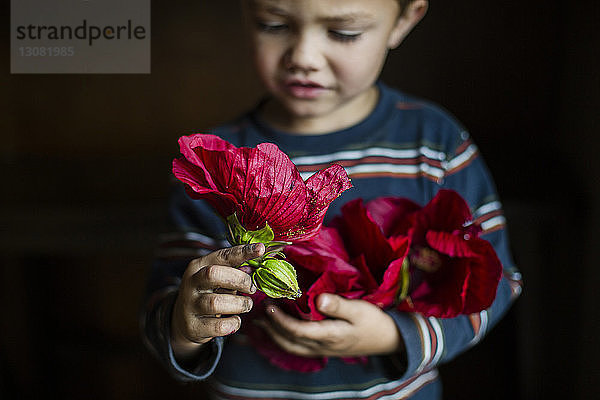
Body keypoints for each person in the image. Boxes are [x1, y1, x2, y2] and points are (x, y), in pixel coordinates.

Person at [141, 0, 523, 398]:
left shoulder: (434, 144)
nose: (303, 57)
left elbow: (499, 284)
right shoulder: (214, 163)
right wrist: (186, 327)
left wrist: (396, 335)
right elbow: (163, 307)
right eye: (273, 25)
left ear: (404, 21)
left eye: (344, 33)